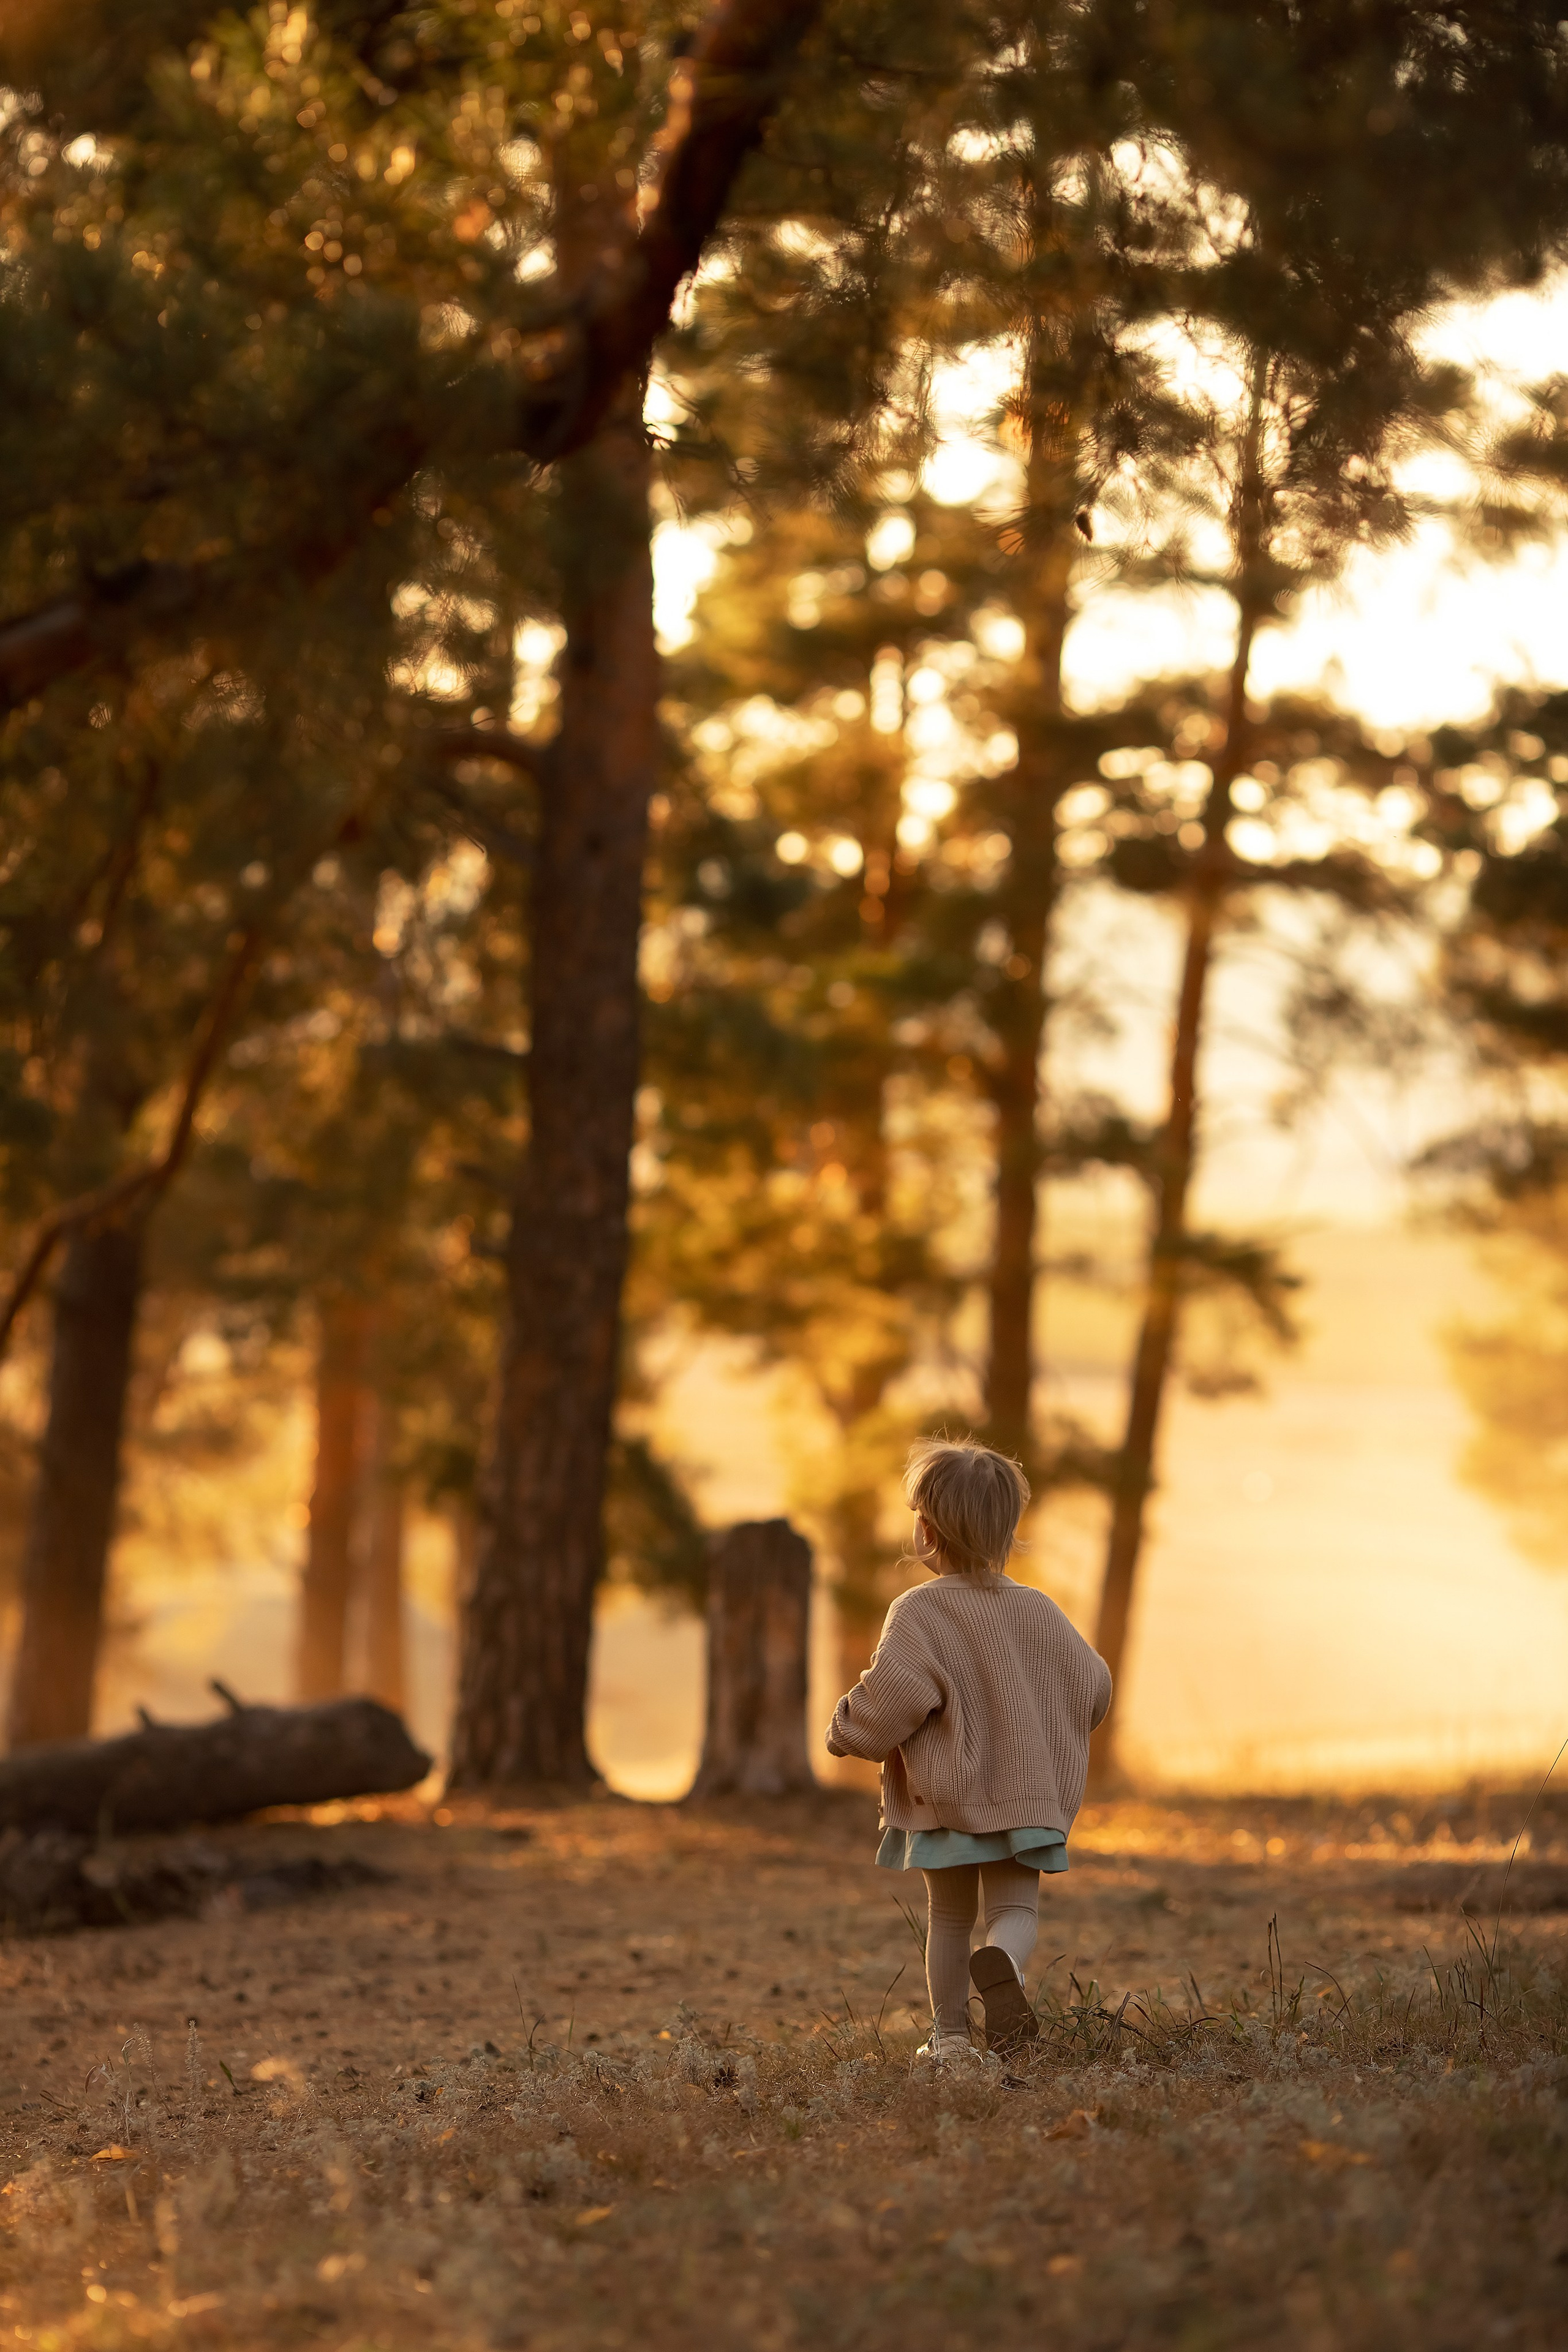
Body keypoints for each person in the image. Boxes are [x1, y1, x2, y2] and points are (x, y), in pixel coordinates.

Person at [826, 1434, 1112, 2068]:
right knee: (1013, 1909)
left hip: (948, 1802)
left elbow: (889, 1700)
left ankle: (951, 2042)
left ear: (925, 1532)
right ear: (1010, 1529)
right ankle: (1003, 1965)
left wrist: (843, 1731)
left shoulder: (918, 1612)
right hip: (1026, 1798)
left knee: (949, 1919)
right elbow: (1093, 1687)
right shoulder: (1040, 1611)